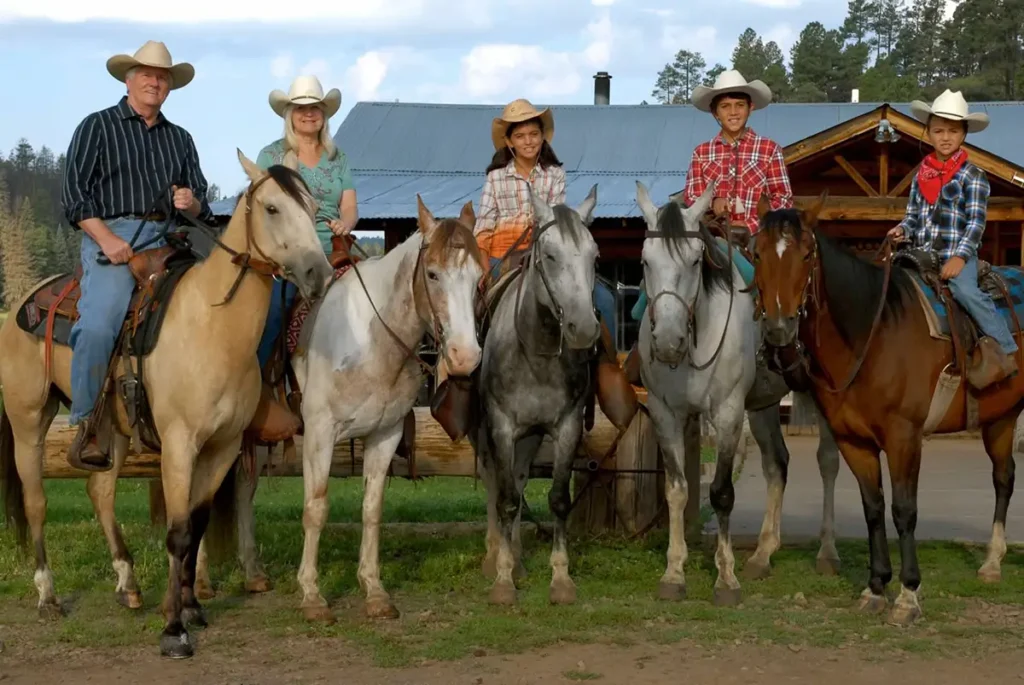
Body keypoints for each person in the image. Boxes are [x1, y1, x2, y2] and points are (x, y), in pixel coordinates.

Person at [62, 40, 215, 471]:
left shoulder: (180, 138)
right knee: (99, 324)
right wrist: (107, 240)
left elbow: (201, 202)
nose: (155, 82)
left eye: (162, 77)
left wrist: (191, 202)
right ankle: (89, 423)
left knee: (219, 302)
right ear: (128, 80)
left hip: (171, 238)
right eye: (147, 74)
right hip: (113, 235)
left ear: (169, 87)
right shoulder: (97, 126)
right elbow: (75, 197)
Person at [887, 89, 1017, 387]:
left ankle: (1005, 350)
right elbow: (913, 216)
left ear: (964, 134)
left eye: (953, 131)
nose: (945, 137)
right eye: (938, 131)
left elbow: (975, 223)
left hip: (957, 254)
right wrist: (902, 230)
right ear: (929, 133)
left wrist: (960, 257)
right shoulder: (921, 174)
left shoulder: (973, 176)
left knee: (965, 291)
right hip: (920, 254)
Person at [474, 98, 618, 345]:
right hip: (502, 256)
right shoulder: (496, 177)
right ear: (509, 142)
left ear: (543, 137)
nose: (528, 141)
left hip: (545, 253)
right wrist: (483, 267)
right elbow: (484, 225)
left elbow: (556, 219)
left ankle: (607, 360)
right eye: (520, 136)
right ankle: (472, 359)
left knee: (604, 299)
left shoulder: (555, 174)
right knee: (469, 301)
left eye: (534, 134)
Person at [254, 74, 358, 373]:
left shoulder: (338, 158)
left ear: (324, 114)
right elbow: (260, 209)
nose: (309, 114)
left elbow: (350, 206)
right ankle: (258, 379)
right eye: (301, 108)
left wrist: (345, 223)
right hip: (287, 255)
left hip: (334, 249)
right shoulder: (271, 156)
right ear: (290, 114)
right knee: (274, 314)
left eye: (315, 108)